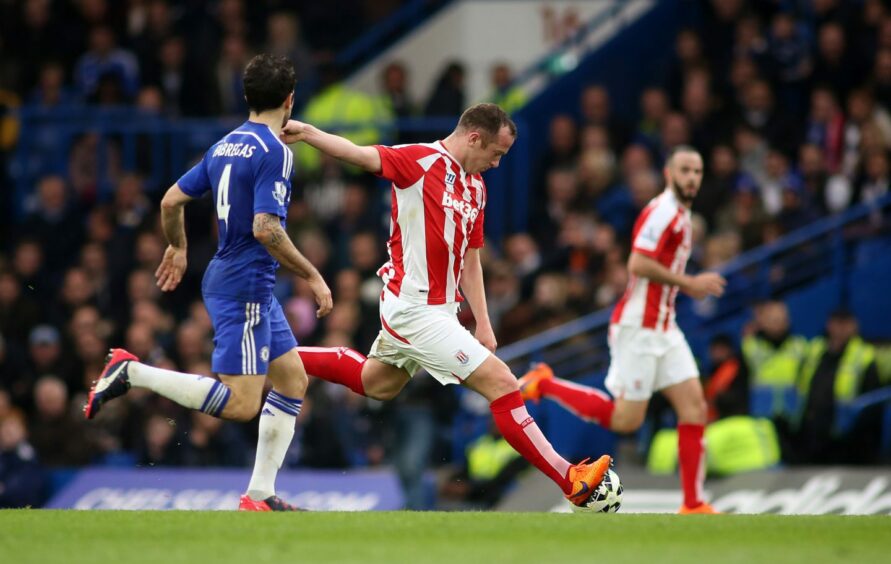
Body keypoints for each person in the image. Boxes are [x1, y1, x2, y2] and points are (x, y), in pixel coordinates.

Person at [280, 103, 612, 511]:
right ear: (474, 137)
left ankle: (280, 355)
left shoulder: (476, 188)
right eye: (496, 153)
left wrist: (485, 324)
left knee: (377, 382)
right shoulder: (419, 161)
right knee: (503, 383)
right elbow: (360, 153)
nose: (496, 163)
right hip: (412, 306)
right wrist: (310, 133)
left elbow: (470, 260)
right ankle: (570, 479)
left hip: (442, 310)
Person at [83, 54, 333, 512]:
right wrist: (313, 275)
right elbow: (266, 229)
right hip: (245, 284)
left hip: (233, 276)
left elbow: (170, 200)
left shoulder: (223, 146)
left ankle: (259, 495)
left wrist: (176, 247)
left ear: (246, 97)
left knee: (292, 379)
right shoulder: (277, 152)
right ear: (290, 100)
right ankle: (131, 371)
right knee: (241, 405)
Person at [517, 145, 727, 514]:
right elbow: (637, 262)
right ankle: (545, 382)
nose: (692, 177)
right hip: (638, 328)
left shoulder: (682, 214)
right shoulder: (662, 212)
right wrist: (688, 282)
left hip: (665, 326)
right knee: (627, 420)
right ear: (669, 174)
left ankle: (694, 504)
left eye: (697, 171)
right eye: (685, 170)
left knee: (694, 407)